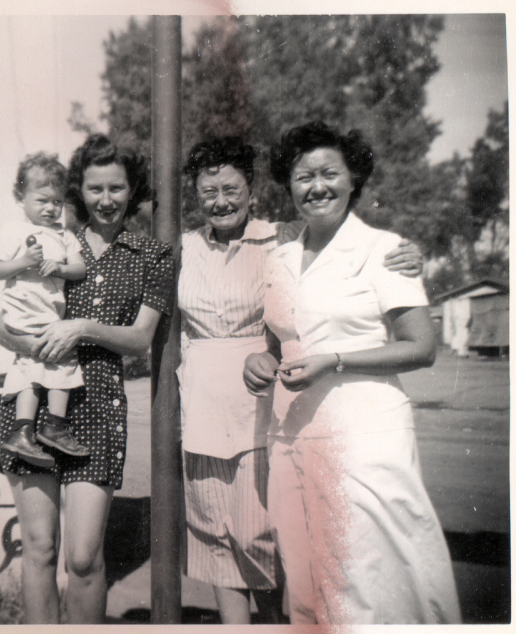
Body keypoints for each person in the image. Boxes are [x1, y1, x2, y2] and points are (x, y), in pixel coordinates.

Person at [179, 136, 423, 624]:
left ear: (252, 190)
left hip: (264, 400)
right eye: (209, 192)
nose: (221, 201)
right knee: (213, 534)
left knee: (260, 538)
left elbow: (343, 240)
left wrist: (410, 254)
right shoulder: (182, 248)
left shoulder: (283, 236)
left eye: (232, 188)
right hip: (201, 401)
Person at [243, 121, 461, 624]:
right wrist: (261, 362)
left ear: (353, 179)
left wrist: (335, 359)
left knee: (363, 580)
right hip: (291, 432)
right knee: (302, 579)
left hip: (363, 434)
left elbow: (422, 346)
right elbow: (278, 343)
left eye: (329, 174)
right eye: (303, 177)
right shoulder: (280, 257)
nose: (316, 187)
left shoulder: (384, 249)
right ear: (288, 185)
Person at [0, 134, 175, 624]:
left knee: (83, 558)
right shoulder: (50, 238)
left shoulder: (151, 256)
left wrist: (82, 328)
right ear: (78, 192)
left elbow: (140, 338)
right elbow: (1, 324)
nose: (105, 200)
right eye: (94, 189)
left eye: (116, 188)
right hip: (34, 399)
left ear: (133, 191)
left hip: (97, 406)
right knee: (41, 547)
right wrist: (26, 343)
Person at [0, 153, 89, 467]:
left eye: (57, 202)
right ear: (21, 197)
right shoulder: (13, 231)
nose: (50, 209)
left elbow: (80, 269)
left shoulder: (64, 235)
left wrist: (58, 267)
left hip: (49, 316)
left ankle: (25, 431)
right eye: (42, 200)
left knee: (34, 366)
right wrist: (26, 262)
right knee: (58, 360)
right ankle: (52, 427)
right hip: (23, 313)